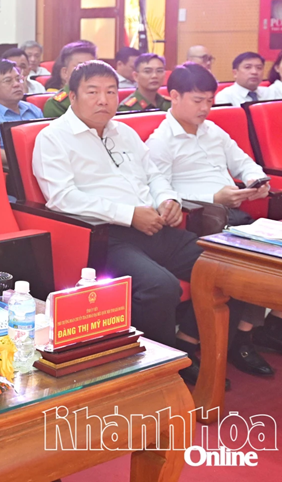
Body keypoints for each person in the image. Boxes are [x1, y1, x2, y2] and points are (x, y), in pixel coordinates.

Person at [32, 60, 240, 382]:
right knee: (161, 287)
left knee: (226, 266)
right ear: (72, 96)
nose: (103, 100)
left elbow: (154, 175)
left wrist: (168, 200)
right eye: (93, 92)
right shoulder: (53, 138)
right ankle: (161, 370)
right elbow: (62, 198)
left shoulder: (124, 132)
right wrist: (128, 215)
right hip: (105, 238)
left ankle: (187, 344)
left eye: (111, 92)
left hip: (154, 226)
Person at [145, 63, 275, 376]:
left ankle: (244, 335)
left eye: (209, 100)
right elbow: (159, 191)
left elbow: (244, 163)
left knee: (267, 260)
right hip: (200, 221)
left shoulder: (213, 131)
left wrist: (256, 181)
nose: (205, 107)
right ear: (174, 96)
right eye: (197, 100)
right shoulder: (160, 141)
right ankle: (194, 342)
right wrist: (213, 197)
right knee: (242, 264)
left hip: (235, 215)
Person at [43, 41, 97, 117]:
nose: (88, 72)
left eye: (92, 66)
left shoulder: (104, 98)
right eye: (80, 67)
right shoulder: (57, 104)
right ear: (65, 72)